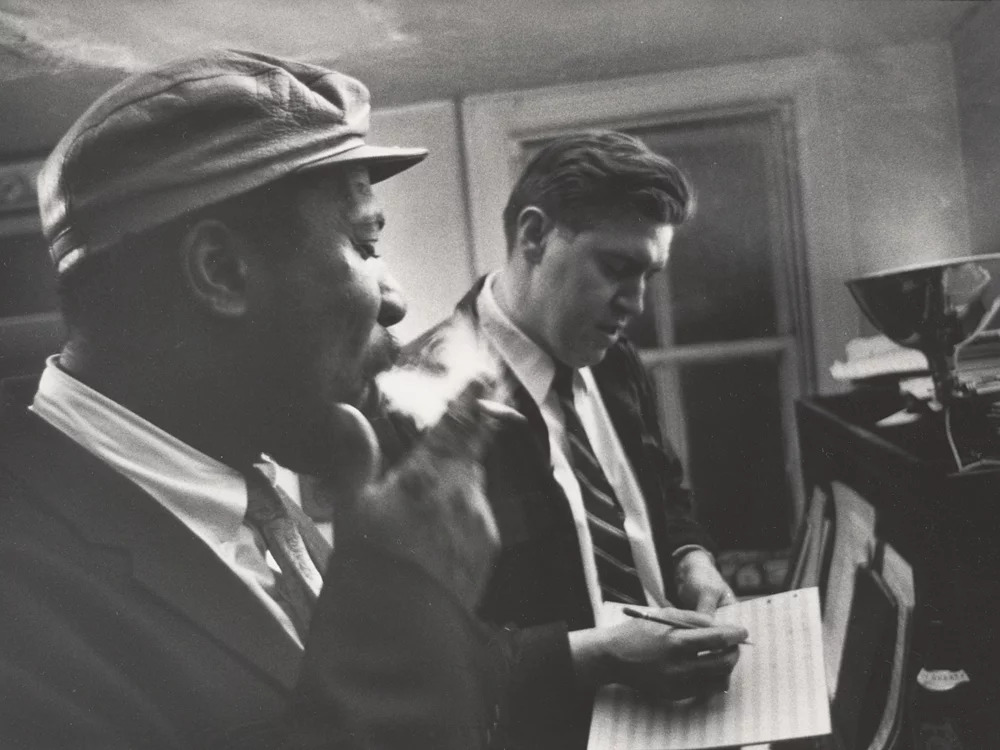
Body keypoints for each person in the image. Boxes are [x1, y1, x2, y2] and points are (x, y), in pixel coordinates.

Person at [0, 50, 505, 750]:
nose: (394, 301)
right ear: (222, 272)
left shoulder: (252, 480)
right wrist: (404, 603)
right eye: (364, 244)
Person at [402, 130, 749, 748]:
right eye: (617, 269)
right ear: (534, 236)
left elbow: (662, 488)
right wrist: (598, 656)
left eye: (650, 275)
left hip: (676, 724)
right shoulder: (412, 399)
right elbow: (415, 661)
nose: (636, 304)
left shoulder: (614, 360)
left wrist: (690, 557)